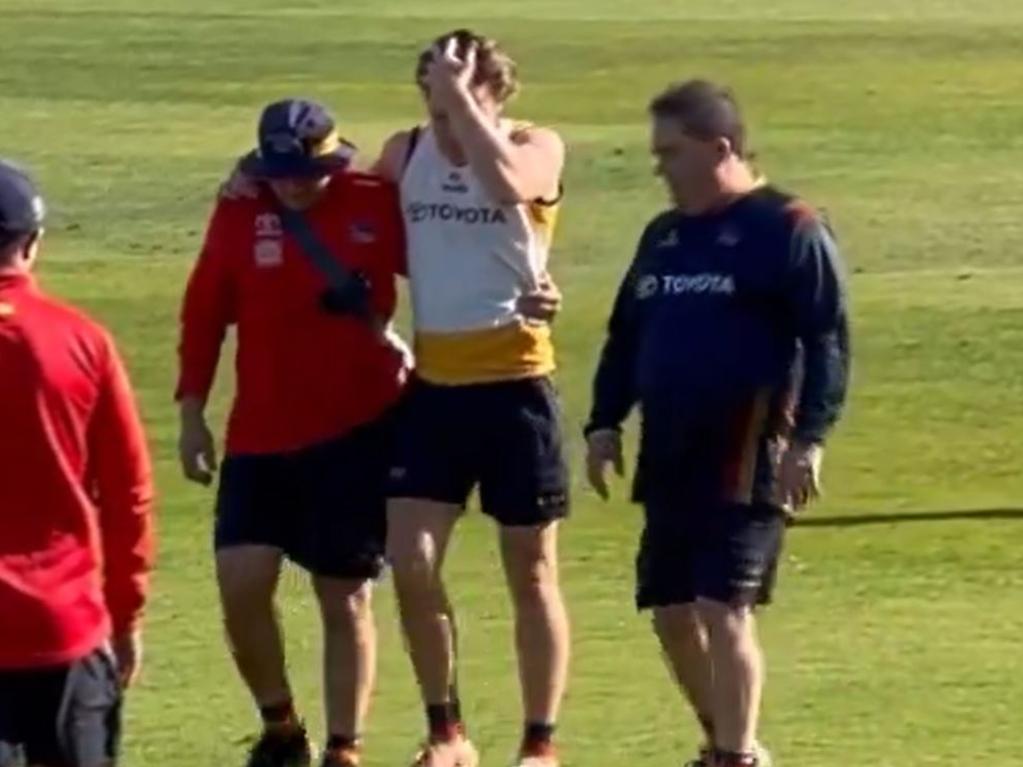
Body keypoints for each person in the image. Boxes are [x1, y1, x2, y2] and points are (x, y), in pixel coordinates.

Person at [584, 80, 850, 767]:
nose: (658, 167)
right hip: (668, 448)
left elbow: (825, 339)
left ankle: (730, 754)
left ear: (719, 148)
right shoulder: (664, 236)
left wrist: (808, 439)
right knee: (671, 609)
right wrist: (603, 420)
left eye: (670, 152)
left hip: (745, 449)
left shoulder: (786, 227)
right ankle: (728, 740)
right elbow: (625, 333)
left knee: (721, 606)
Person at [176, 99, 408, 767]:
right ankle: (281, 724)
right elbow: (204, 310)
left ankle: (344, 745)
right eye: (281, 173)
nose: (296, 185)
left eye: (309, 171)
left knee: (345, 591)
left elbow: (451, 267)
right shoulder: (239, 210)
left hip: (358, 429)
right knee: (240, 582)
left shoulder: (375, 203)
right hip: (259, 433)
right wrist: (192, 410)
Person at [371, 29, 570, 767]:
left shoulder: (535, 143)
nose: (441, 114)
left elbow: (509, 184)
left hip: (516, 387)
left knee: (531, 569)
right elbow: (342, 209)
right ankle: (446, 731)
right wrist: (248, 180)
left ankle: (539, 741)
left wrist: (462, 108)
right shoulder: (405, 152)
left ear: (493, 90)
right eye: (430, 97)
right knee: (411, 558)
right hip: (435, 391)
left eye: (455, 95)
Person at [0, 159, 156, 767]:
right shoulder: (82, 341)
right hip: (63, 626)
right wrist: (126, 613)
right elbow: (129, 493)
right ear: (33, 243)